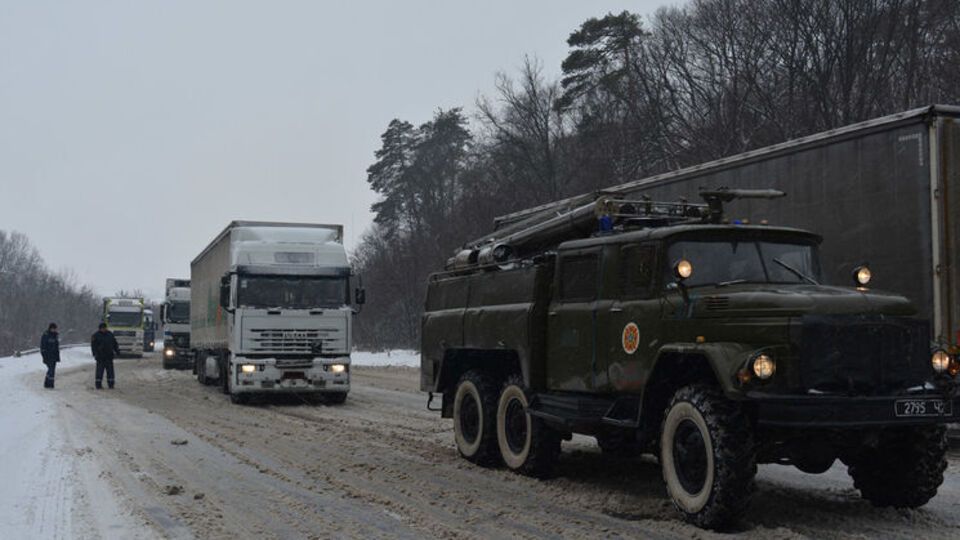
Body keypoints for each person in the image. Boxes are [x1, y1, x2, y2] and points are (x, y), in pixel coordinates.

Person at [90, 323, 120, 389]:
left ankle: (111, 384)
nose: (104, 329)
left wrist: (117, 351)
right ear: (100, 328)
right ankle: (98, 384)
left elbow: (115, 344)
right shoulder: (95, 335)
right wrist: (95, 354)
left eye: (105, 328)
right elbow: (93, 346)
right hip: (100, 357)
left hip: (109, 356)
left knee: (110, 372)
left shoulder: (110, 334)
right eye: (102, 328)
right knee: (99, 372)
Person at [40, 323, 60, 389]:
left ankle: (49, 383)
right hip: (48, 355)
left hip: (54, 355)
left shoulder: (55, 336)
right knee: (51, 370)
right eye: (53, 329)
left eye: (55, 329)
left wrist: (57, 356)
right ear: (50, 328)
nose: (54, 330)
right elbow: (43, 346)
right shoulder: (46, 335)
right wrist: (44, 355)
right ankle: (48, 383)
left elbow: (57, 347)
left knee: (52, 370)